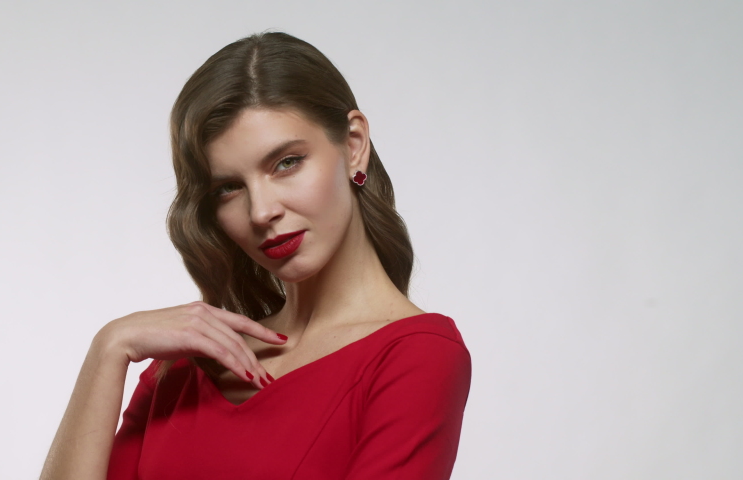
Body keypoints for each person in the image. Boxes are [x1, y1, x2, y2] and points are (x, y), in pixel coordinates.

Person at [40, 31, 472, 480]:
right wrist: (109, 347)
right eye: (229, 187)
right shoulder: (184, 366)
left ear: (353, 145)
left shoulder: (418, 356)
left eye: (286, 163)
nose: (262, 212)